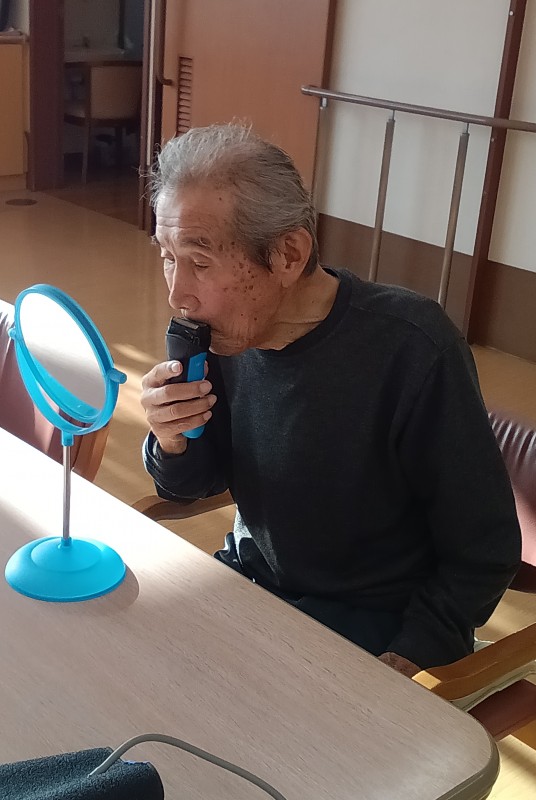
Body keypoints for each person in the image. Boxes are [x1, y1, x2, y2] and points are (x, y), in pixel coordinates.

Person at [140, 123, 521, 677]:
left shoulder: (410, 347)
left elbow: (485, 546)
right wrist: (171, 440)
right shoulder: (226, 335)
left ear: (289, 254)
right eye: (168, 258)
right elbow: (192, 485)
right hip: (254, 586)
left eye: (200, 263)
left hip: (374, 623)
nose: (179, 295)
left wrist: (414, 654)